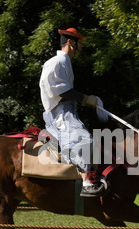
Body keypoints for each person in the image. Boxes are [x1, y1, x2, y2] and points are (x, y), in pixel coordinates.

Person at [39, 28, 107, 197]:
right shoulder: (57, 62)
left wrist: (87, 101)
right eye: (80, 43)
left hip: (67, 110)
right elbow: (62, 91)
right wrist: (86, 99)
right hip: (59, 113)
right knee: (82, 139)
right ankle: (87, 183)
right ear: (70, 42)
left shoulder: (65, 62)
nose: (81, 46)